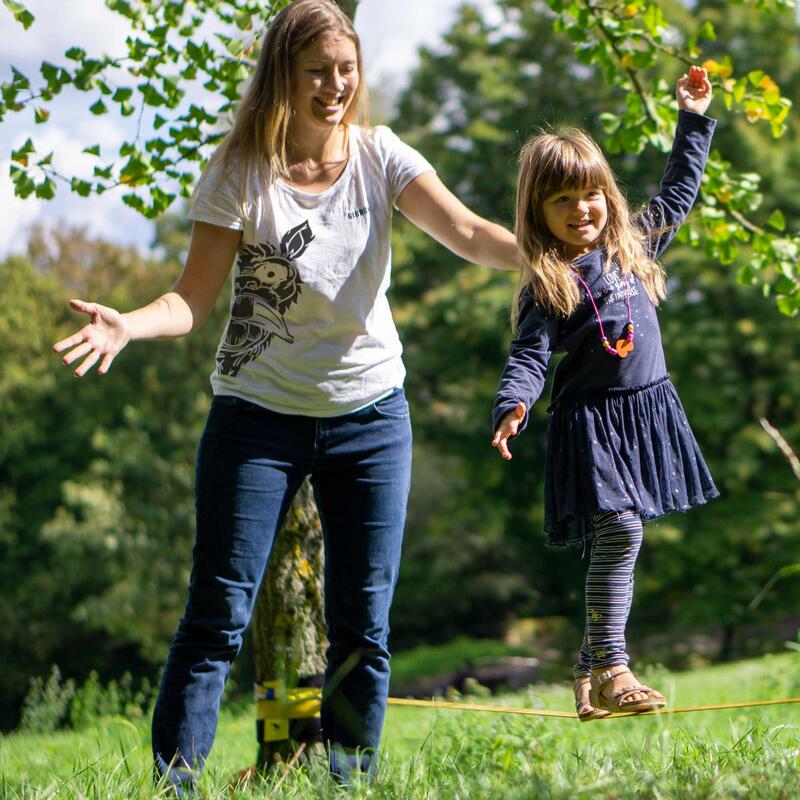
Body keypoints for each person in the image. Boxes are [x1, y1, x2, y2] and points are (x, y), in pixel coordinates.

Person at [52, 0, 519, 790]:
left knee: (363, 626)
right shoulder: (241, 170)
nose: (335, 87)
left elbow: (471, 235)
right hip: (256, 420)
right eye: (316, 72)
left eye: (346, 70)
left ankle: (348, 779)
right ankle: (174, 785)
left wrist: (554, 255)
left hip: (370, 416)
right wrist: (127, 325)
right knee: (217, 616)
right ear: (282, 75)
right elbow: (190, 302)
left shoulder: (381, 156)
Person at [491, 66, 717, 721]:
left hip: (644, 412)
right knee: (620, 532)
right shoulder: (547, 283)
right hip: (590, 426)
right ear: (539, 213)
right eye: (561, 201)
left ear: (607, 194)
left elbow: (679, 188)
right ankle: (615, 667)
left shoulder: (634, 245)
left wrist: (694, 119)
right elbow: (528, 356)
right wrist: (513, 403)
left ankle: (588, 672)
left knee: (615, 539)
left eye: (589, 193)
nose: (580, 209)